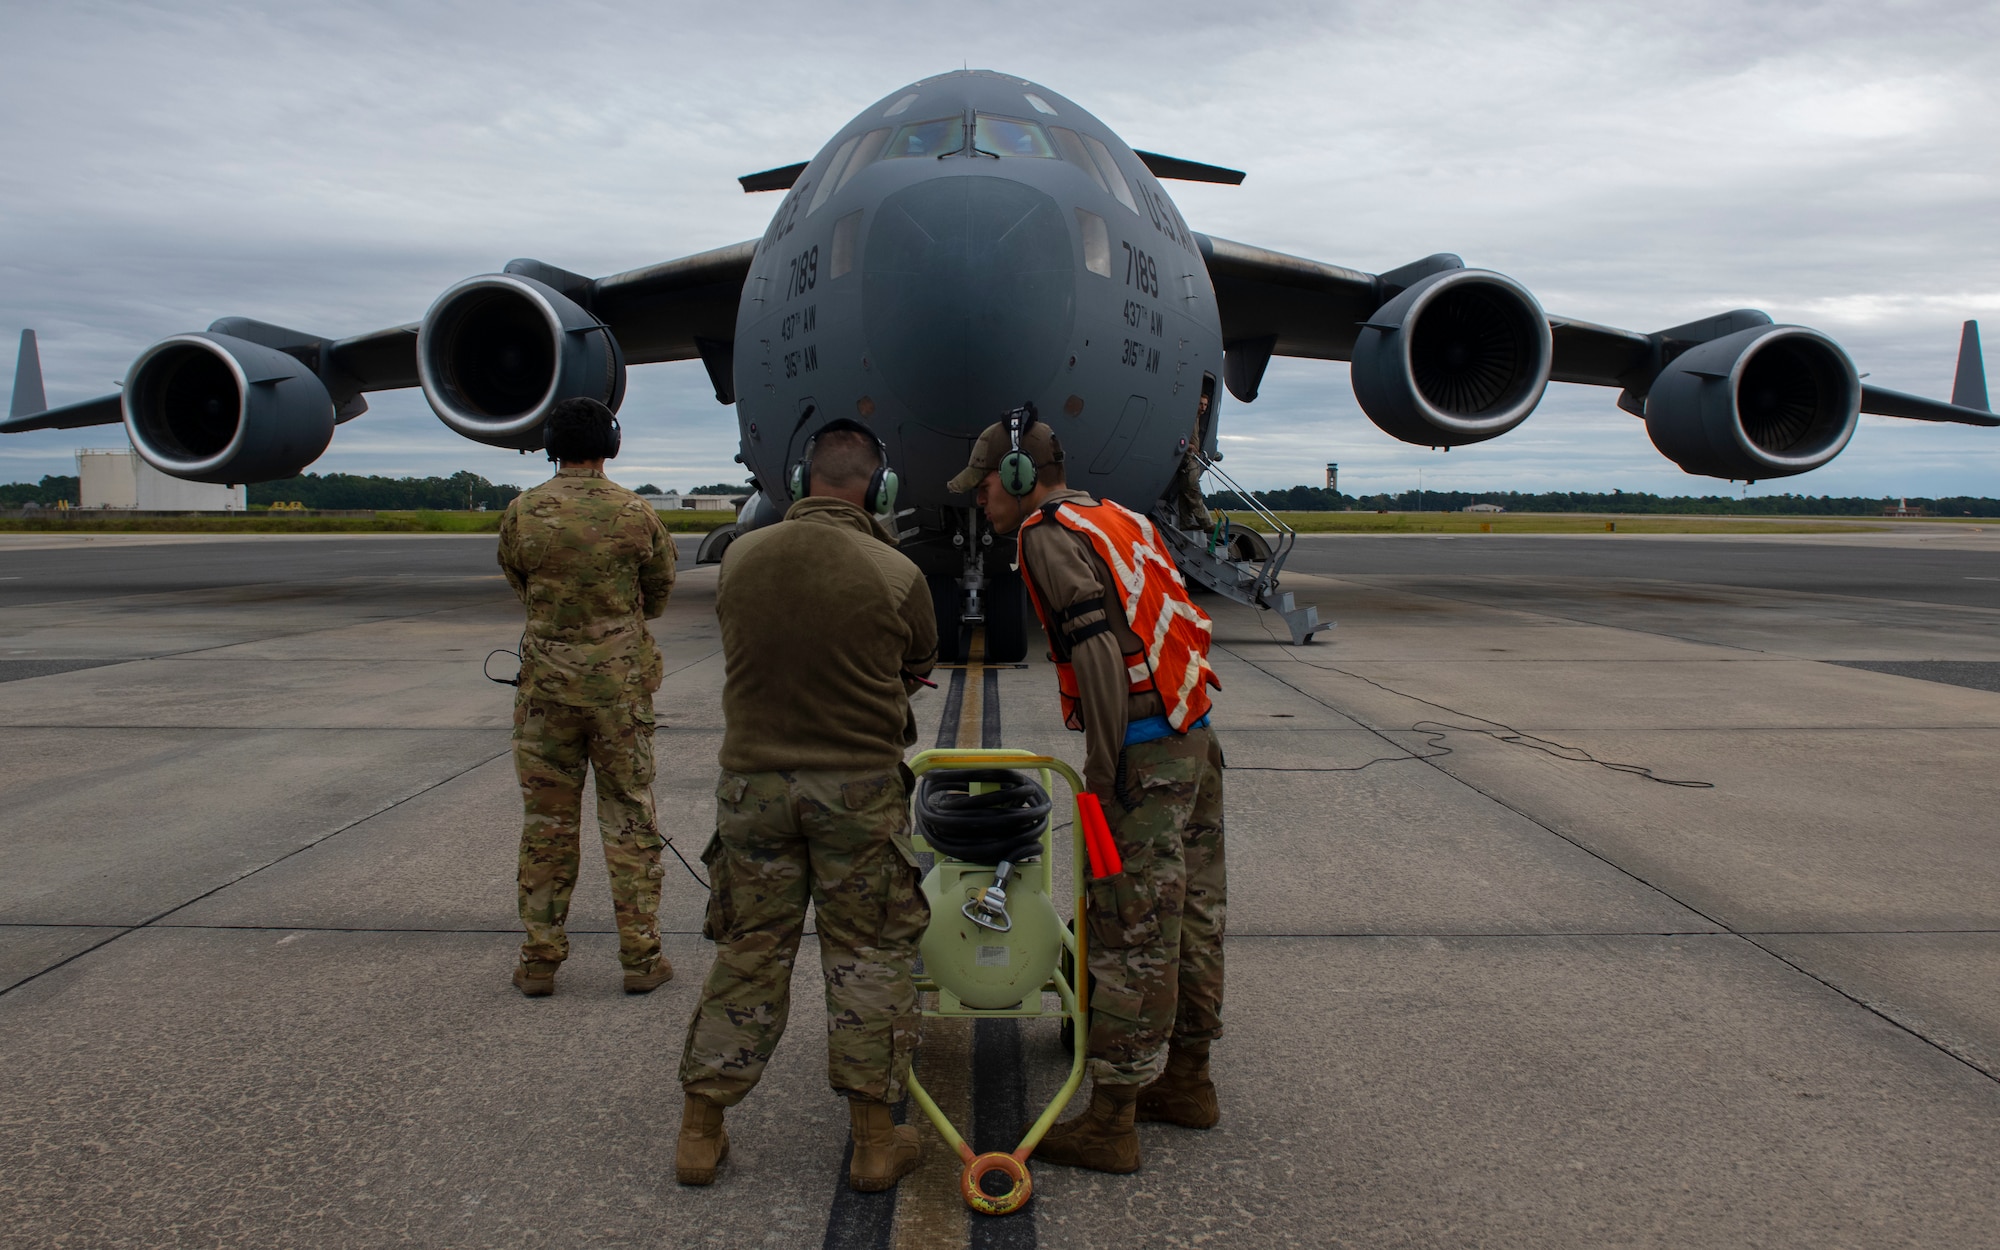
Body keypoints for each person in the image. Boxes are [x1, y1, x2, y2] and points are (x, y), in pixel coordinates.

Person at [947, 406, 1226, 1174]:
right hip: (1193, 729)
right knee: (1193, 914)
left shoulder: (1046, 536)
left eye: (984, 487)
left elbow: (1099, 648)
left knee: (1129, 930)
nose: (979, 501)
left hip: (1142, 749)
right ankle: (1190, 1083)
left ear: (1017, 478)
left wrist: (1101, 775)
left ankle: (1112, 1121)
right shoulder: (1116, 516)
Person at [675, 420, 938, 1192]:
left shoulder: (741, 560)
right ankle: (872, 1146)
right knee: (868, 959)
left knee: (749, 952)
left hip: (752, 791)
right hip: (857, 793)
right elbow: (919, 661)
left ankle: (700, 1132)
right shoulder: (896, 572)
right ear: (878, 490)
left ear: (801, 482)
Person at [496, 396, 677, 998]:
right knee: (629, 817)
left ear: (551, 446)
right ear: (610, 445)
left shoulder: (523, 512)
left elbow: (518, 581)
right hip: (619, 694)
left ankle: (540, 960)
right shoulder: (635, 512)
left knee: (547, 824)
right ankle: (641, 957)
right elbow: (658, 592)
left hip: (546, 692)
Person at [1171, 389, 1215, 531]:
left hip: (1192, 458)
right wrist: (1187, 446)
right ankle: (1206, 523)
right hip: (1188, 459)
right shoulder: (1188, 417)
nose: (1203, 408)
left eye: (1205, 405)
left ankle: (1186, 522)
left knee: (1185, 493)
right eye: (1201, 404)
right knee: (1193, 491)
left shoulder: (1196, 418)